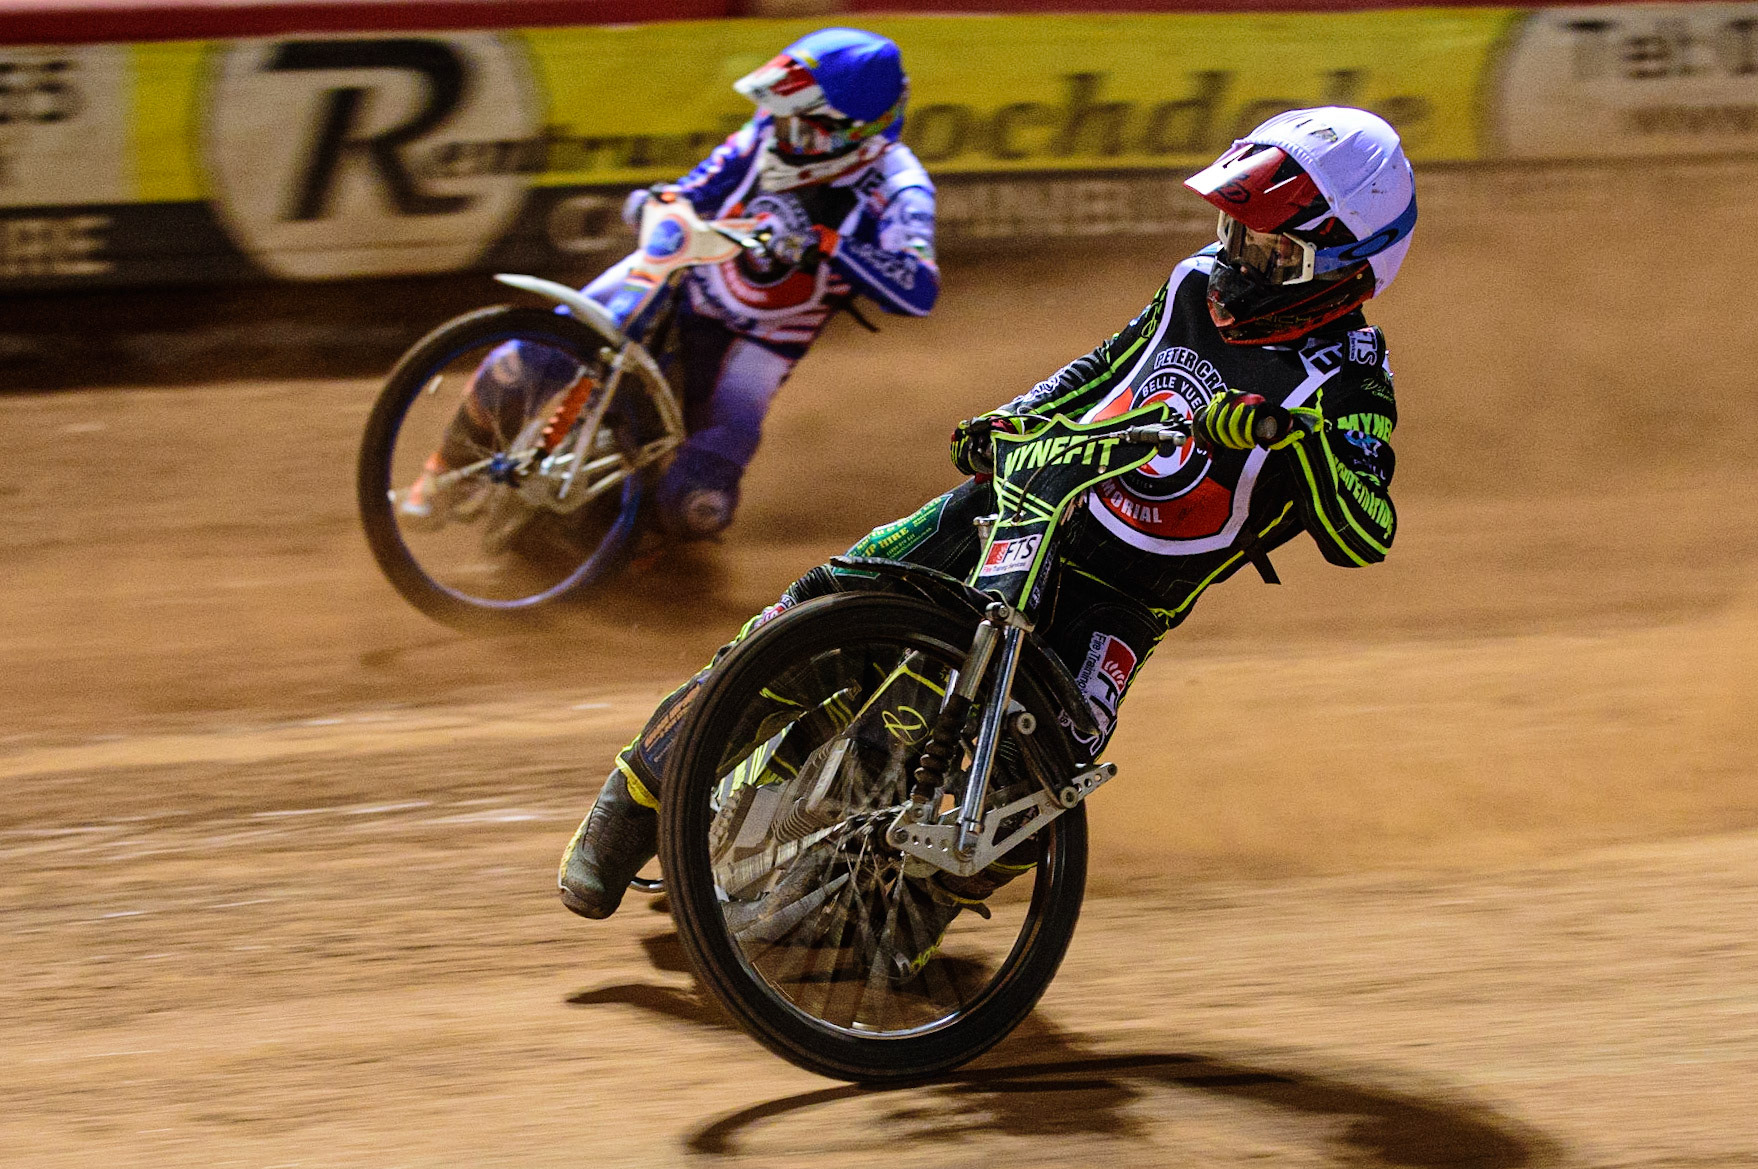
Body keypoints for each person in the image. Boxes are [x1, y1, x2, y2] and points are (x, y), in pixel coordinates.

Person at [558, 105, 1416, 929]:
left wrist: (1293, 439)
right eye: (1237, 232)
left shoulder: (1351, 384)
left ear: (1350, 262)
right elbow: (1103, 367)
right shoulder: (1195, 281)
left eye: (1271, 250)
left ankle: (900, 914)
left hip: (1120, 596)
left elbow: (1366, 531)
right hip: (1024, 499)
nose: (1239, 260)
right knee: (813, 609)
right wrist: (1011, 418)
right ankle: (634, 797)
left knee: (1045, 777)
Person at [401, 27, 940, 540]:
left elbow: (918, 286)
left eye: (798, 123)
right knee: (525, 361)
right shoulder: (762, 136)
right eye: (778, 115)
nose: (777, 130)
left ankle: (647, 559)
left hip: (760, 343)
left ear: (852, 134)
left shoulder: (900, 188)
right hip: (680, 277)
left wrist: (827, 244)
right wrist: (661, 202)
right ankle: (445, 472)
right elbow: (694, 188)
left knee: (698, 502)